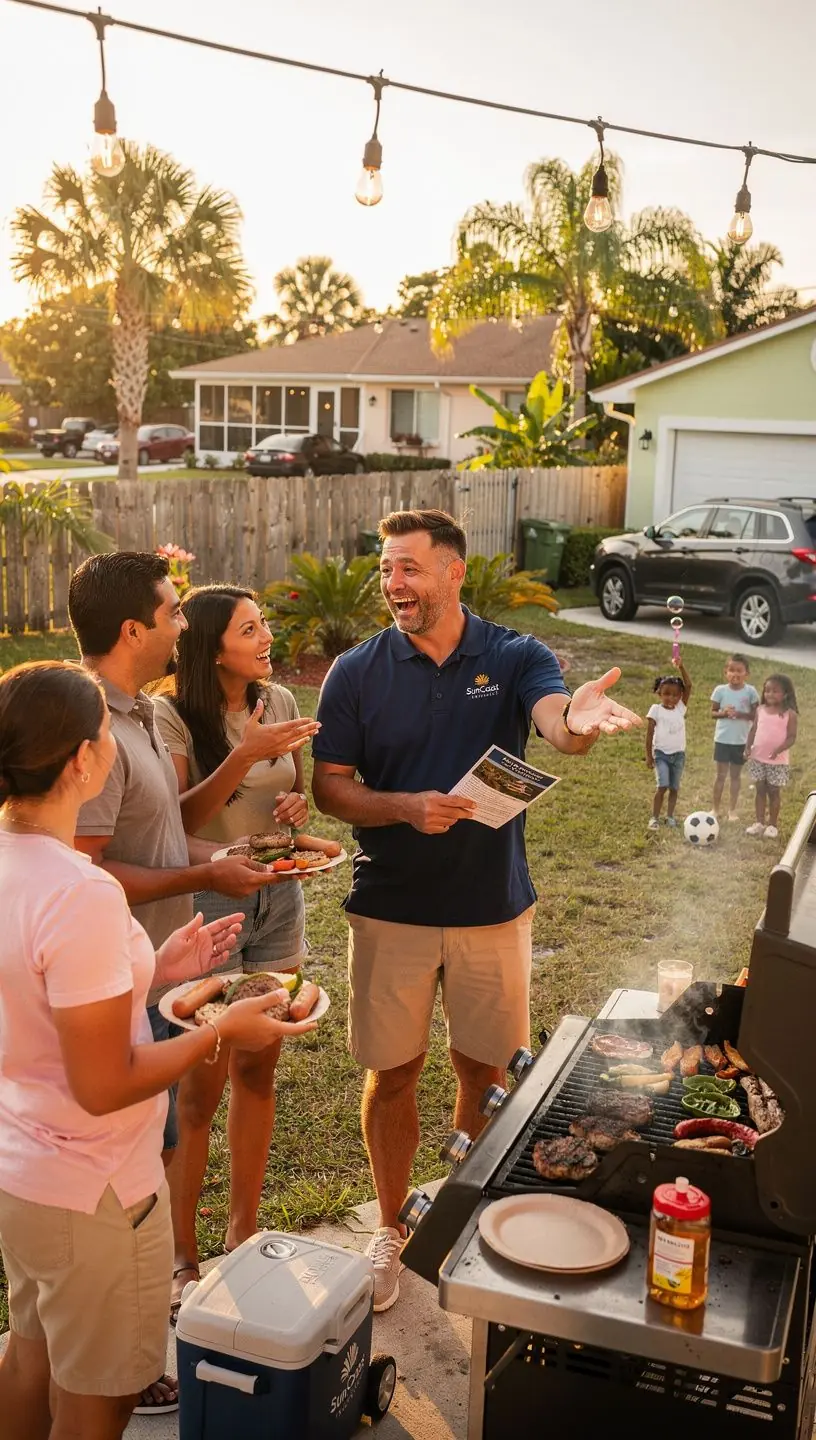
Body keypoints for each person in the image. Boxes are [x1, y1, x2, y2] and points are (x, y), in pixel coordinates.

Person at [311, 508, 641, 1311]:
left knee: (484, 1071)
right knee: (393, 1072)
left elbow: (555, 724)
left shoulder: (514, 654)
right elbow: (330, 786)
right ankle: (392, 1227)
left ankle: (456, 1210)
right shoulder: (356, 671)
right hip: (390, 907)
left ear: (455, 571)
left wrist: (578, 725)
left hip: (494, 907)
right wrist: (402, 808)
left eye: (410, 569)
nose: (394, 585)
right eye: (387, 569)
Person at [0, 661, 316, 1440]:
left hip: (23, 1172)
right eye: (105, 732)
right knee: (95, 1399)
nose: (113, 742)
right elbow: (106, 1081)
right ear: (81, 760)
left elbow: (39, 995)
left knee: (29, 1355)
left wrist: (156, 967)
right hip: (99, 1191)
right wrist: (221, 1031)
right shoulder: (82, 892)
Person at [67, 550, 284, 1412]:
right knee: (132, 1169)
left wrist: (224, 859)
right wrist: (203, 878)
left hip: (162, 966)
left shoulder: (150, 718)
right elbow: (86, 872)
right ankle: (121, 1353)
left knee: (149, 1159)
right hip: (114, 983)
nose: (181, 625)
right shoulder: (86, 731)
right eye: (170, 612)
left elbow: (171, 828)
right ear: (132, 629)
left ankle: (140, 1325)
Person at [152, 585, 319, 1313]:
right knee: (199, 1088)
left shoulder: (277, 699)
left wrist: (294, 804)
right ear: (211, 645)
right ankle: (180, 1252)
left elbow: (292, 786)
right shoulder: (171, 713)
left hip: (279, 897)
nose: (265, 638)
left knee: (259, 1069)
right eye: (249, 629)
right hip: (211, 903)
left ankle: (241, 1231)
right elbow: (178, 818)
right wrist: (243, 754)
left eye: (264, 626)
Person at [744, 673, 798, 839]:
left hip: (777, 761)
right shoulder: (760, 710)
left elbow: (791, 737)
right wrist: (747, 747)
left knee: (774, 792)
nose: (770, 694)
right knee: (760, 790)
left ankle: (772, 825)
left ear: (785, 694)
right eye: (767, 691)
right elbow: (753, 730)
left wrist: (779, 749)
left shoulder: (790, 714)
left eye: (775, 691)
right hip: (758, 758)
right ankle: (759, 822)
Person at [710, 655, 758, 820]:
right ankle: (715, 809)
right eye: (731, 670)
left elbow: (755, 715)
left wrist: (739, 714)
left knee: (735, 776)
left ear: (747, 674)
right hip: (722, 739)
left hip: (741, 741)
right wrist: (723, 713)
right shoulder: (720, 690)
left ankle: (732, 810)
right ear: (726, 672)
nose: (735, 674)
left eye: (739, 671)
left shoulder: (750, 692)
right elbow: (713, 712)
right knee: (720, 776)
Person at [645, 660, 692, 830]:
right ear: (659, 693)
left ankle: (670, 817)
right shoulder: (656, 710)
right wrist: (649, 755)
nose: (671, 698)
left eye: (675, 695)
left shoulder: (680, 709)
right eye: (666, 694)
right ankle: (654, 818)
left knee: (674, 788)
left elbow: (689, 685)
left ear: (680, 696)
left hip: (678, 755)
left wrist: (681, 666)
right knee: (662, 785)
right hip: (661, 754)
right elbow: (649, 733)